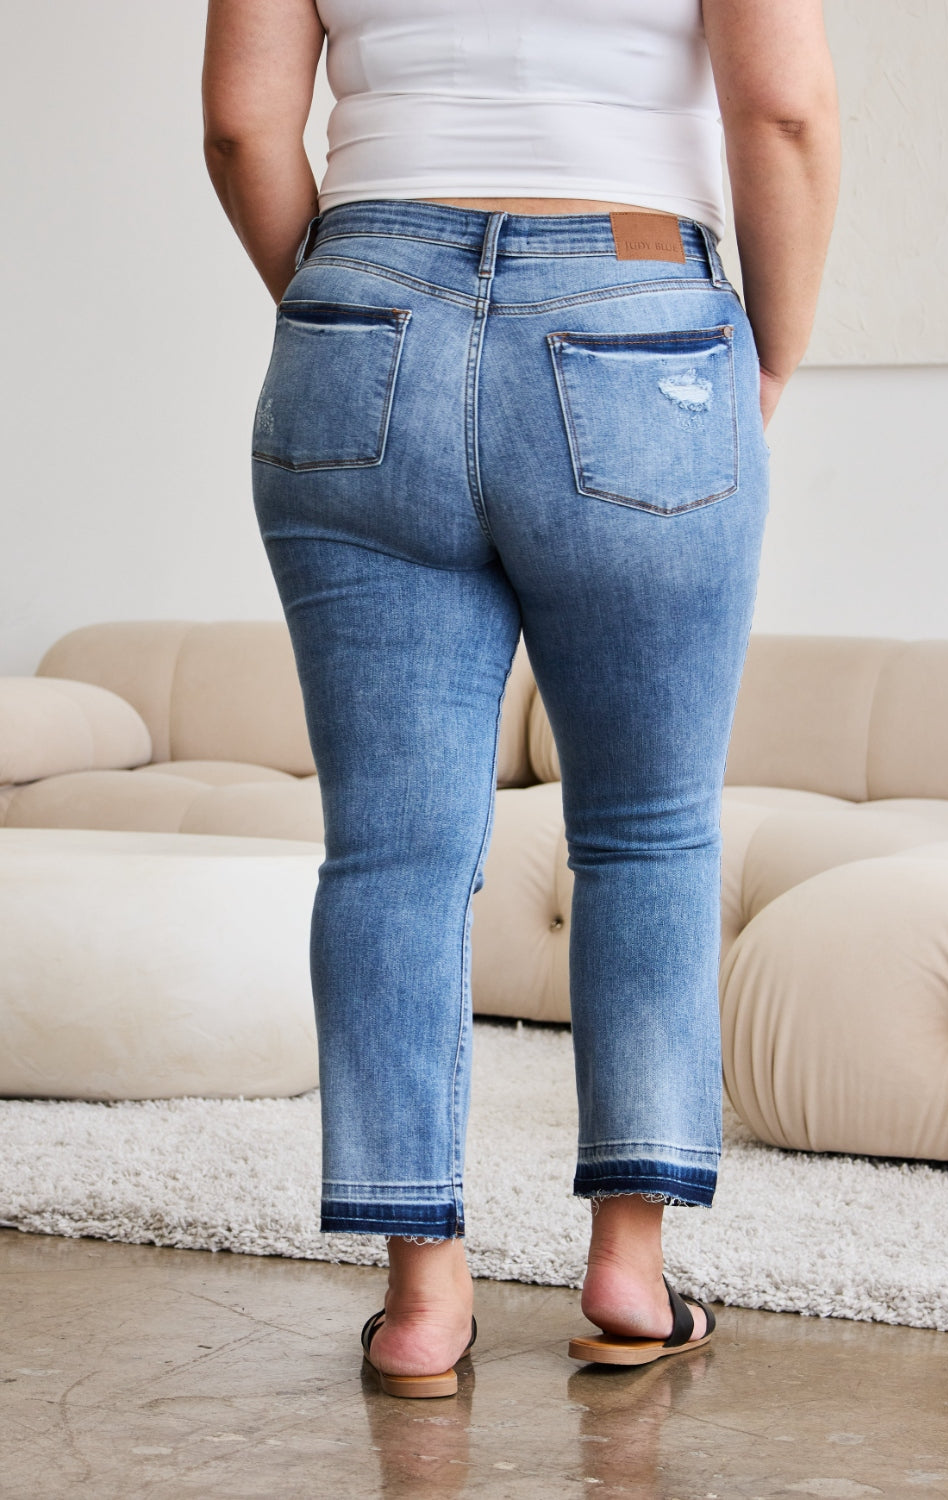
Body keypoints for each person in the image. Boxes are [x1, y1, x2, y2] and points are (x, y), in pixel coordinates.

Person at [203, 0, 839, 1397]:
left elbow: (246, 123)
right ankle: (627, 1264)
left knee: (392, 854)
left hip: (360, 303)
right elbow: (781, 113)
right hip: (633, 308)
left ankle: (422, 1299)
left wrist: (359, 311)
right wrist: (772, 353)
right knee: (648, 829)